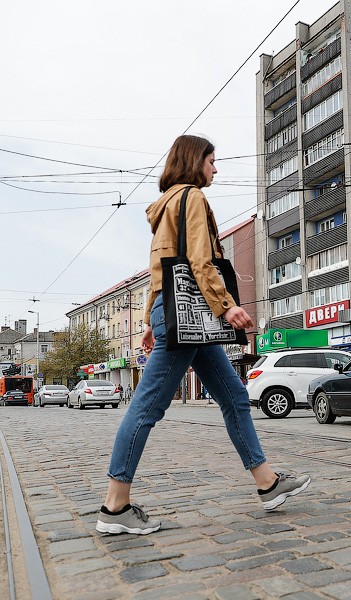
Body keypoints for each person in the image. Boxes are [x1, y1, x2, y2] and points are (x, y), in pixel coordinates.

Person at [96, 135, 310, 536]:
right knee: (146, 408)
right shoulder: (191, 197)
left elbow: (158, 273)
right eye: (213, 161)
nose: (216, 168)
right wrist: (226, 305)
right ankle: (114, 506)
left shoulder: (165, 207)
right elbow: (198, 261)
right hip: (192, 318)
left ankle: (267, 483)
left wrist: (148, 320)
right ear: (196, 161)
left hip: (184, 318)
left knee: (233, 398)